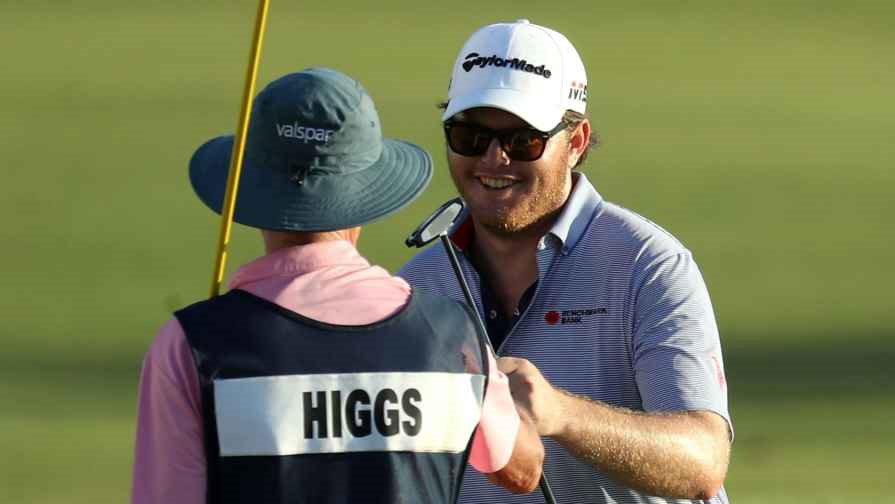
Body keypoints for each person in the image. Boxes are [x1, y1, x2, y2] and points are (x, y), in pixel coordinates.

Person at [131, 67, 544, 504]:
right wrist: (502, 386)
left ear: (251, 183)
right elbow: (521, 468)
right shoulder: (453, 336)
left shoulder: (190, 346)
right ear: (366, 190)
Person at [399, 20, 733, 504]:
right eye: (470, 135)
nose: (494, 159)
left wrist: (560, 413)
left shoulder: (647, 265)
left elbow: (702, 463)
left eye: (522, 140)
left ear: (575, 142)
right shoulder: (418, 286)